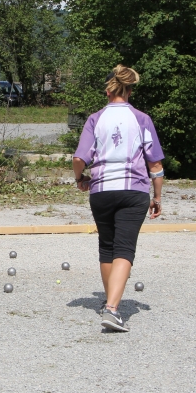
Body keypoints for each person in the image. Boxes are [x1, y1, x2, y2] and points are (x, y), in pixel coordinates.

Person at [72, 65, 165, 332]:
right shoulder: (142, 118)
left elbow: (79, 158)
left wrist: (80, 179)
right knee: (125, 249)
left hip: (101, 190)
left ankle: (108, 304)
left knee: (107, 247)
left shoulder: (94, 119)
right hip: (134, 190)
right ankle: (113, 309)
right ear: (130, 90)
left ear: (108, 89)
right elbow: (155, 164)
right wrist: (157, 196)